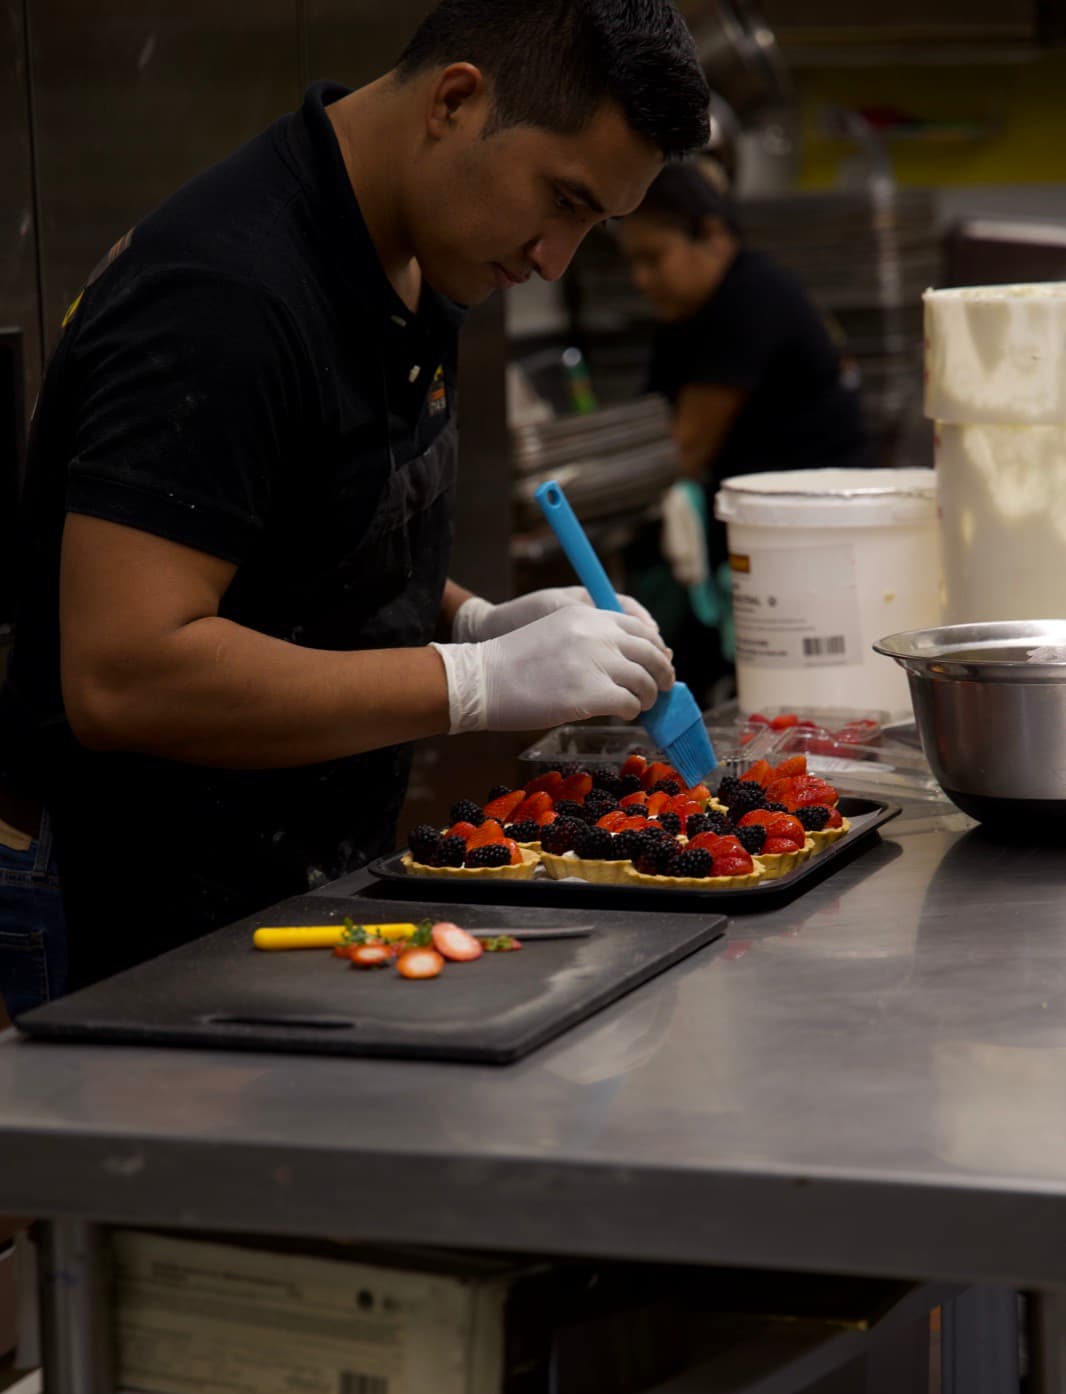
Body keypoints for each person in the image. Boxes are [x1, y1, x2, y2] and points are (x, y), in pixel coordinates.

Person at [0, 0, 710, 1009]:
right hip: (134, 898)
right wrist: (468, 679)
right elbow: (124, 676)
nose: (557, 257)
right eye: (562, 200)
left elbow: (305, 543)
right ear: (456, 101)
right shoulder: (225, 297)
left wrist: (470, 613)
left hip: (284, 877)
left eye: (594, 224)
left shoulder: (420, 254)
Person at [618, 161, 869, 703]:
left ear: (710, 235)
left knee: (803, 695)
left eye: (652, 258)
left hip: (814, 539)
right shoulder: (687, 311)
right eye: (631, 263)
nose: (639, 279)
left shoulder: (749, 298)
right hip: (762, 529)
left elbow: (685, 447)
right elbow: (657, 423)